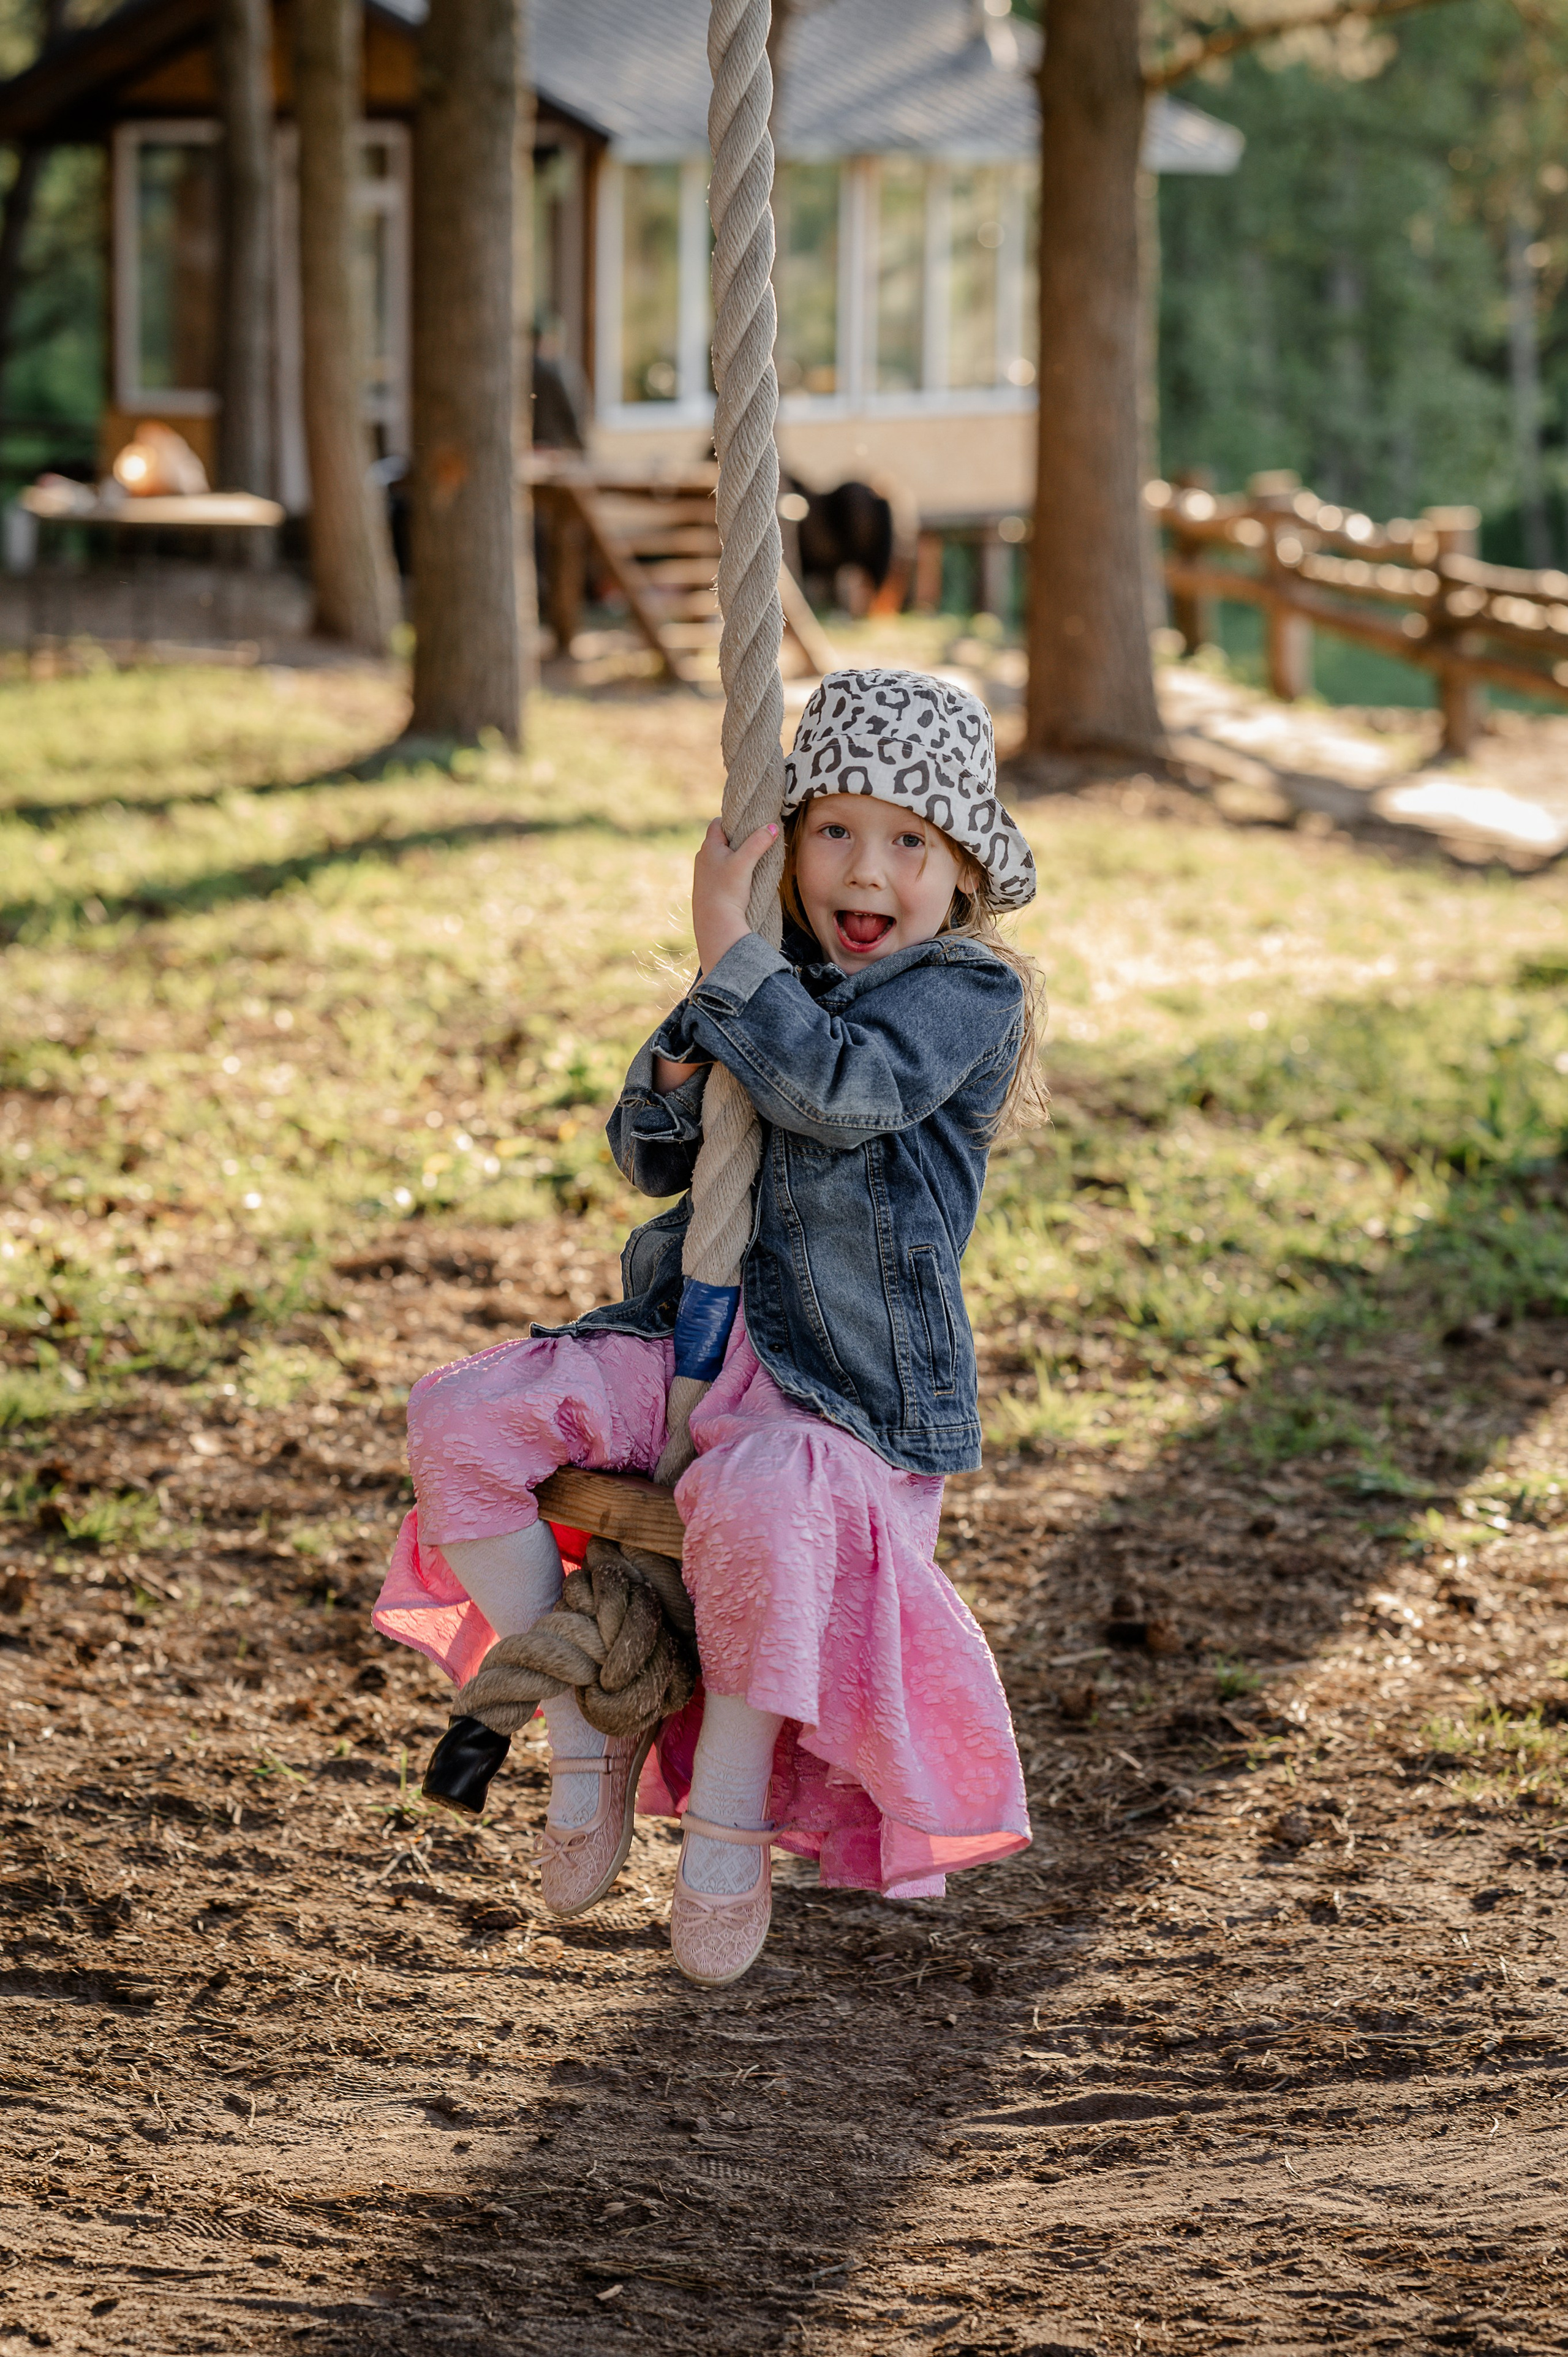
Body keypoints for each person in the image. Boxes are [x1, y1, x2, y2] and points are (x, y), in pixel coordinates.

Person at [372, 668, 1042, 1987]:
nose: (868, 867)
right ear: (787, 848)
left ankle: (726, 1821)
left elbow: (843, 1092)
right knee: (460, 1416)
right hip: (689, 1340)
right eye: (834, 830)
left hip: (839, 1396)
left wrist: (726, 955)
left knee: (760, 1495)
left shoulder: (969, 997)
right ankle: (582, 1718)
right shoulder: (763, 970)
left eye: (907, 841)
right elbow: (652, 1154)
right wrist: (685, 1049)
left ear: (960, 871)